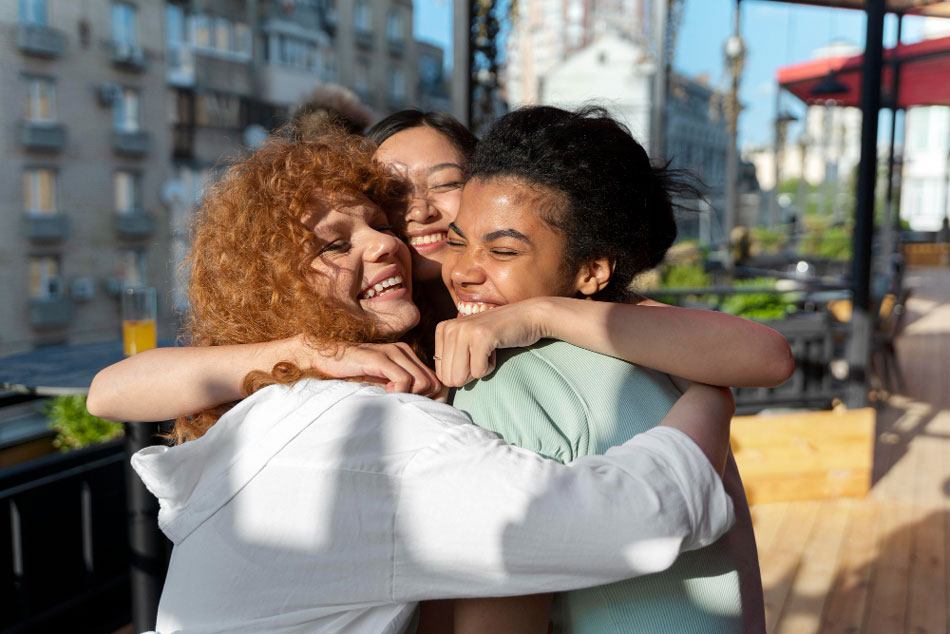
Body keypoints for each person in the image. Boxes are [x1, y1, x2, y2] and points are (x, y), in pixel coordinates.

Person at [128, 127, 737, 633]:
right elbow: (637, 518)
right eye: (336, 244)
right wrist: (712, 395)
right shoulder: (368, 426)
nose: (387, 243)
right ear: (273, 287)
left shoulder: (275, 407)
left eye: (377, 224)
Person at [434, 105, 757, 633]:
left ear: (591, 272)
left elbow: (500, 619)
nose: (465, 271)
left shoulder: (500, 383)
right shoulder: (667, 358)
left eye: (504, 250)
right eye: (457, 240)